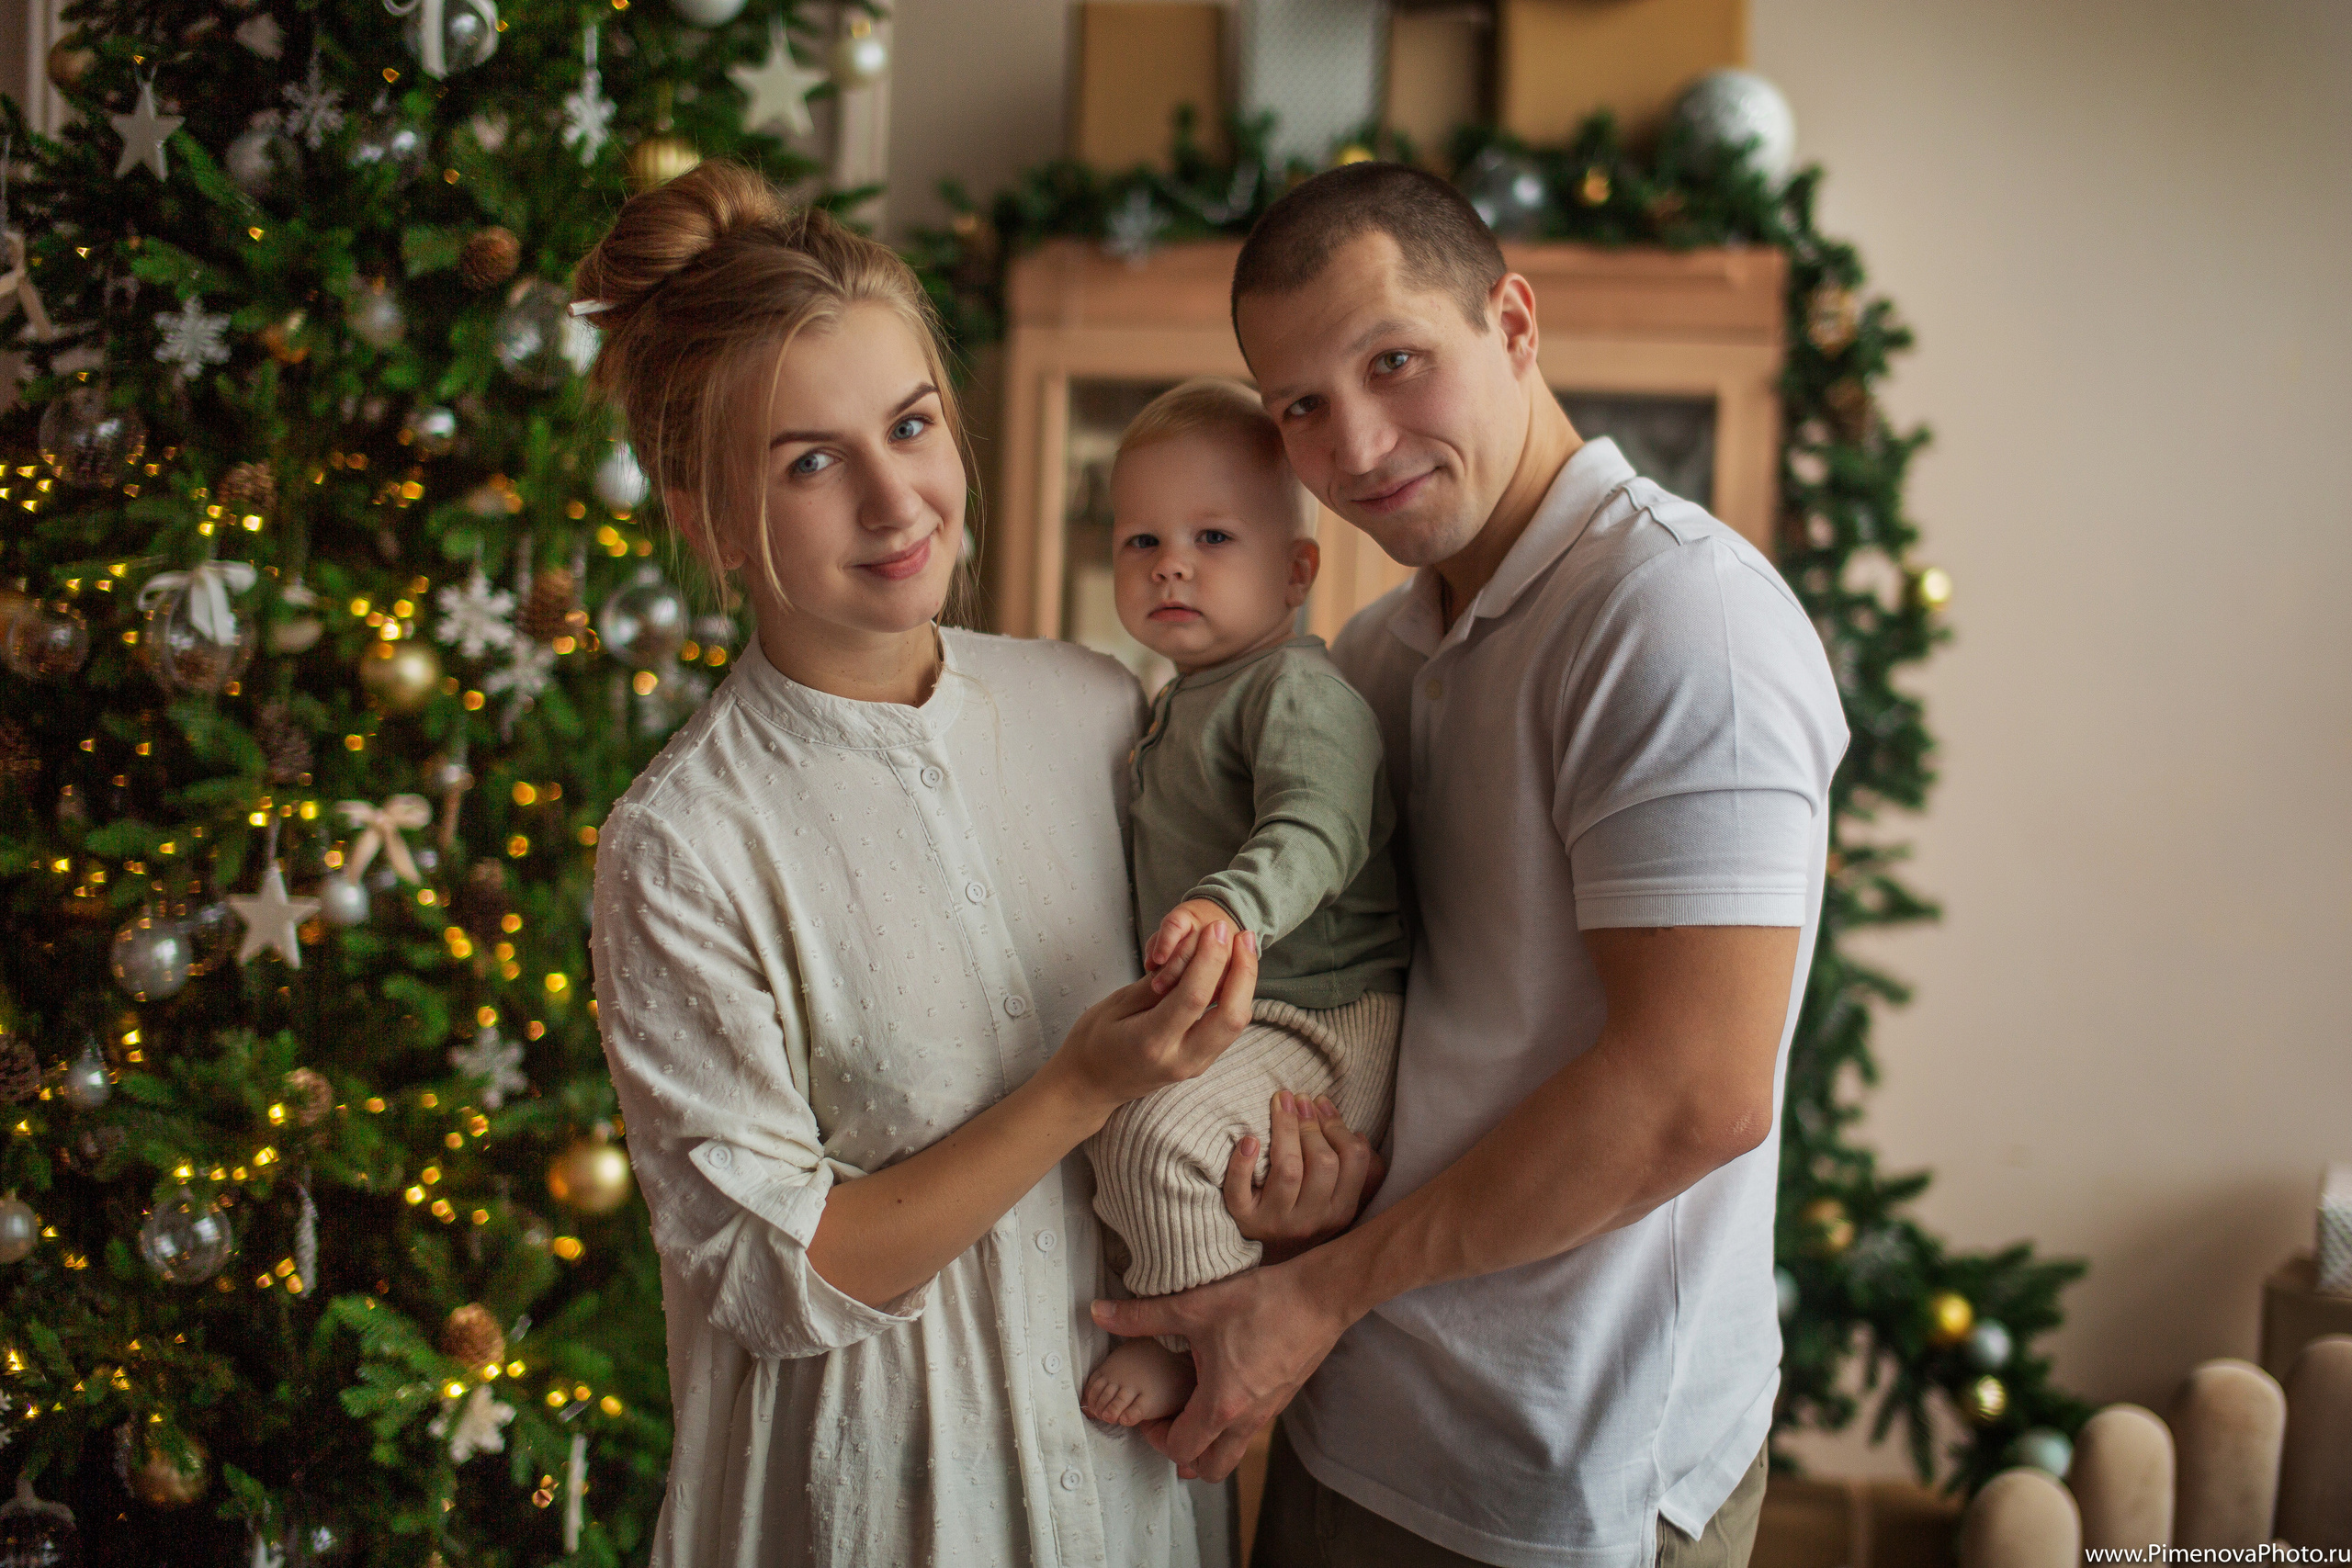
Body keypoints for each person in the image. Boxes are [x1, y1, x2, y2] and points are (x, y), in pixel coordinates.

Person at [1093, 162, 1851, 1568]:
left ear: (1511, 321)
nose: (1358, 441)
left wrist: (1319, 1290)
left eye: (1396, 361)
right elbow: (1397, 1010)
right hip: (1350, 1411)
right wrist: (1310, 1187)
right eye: (1300, 404)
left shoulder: (1681, 621)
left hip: (1561, 1475)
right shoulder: (1378, 655)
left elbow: (1695, 1094)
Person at [576, 163, 1289, 1568]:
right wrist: (1080, 1082)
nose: (896, 498)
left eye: (911, 426)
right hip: (876, 1503)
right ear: (713, 515)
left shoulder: (1095, 704)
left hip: (1127, 1483)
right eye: (809, 459)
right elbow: (776, 1274)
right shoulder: (682, 845)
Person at [1080, 378, 1407, 1431]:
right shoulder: (1180, 699)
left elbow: (1321, 827)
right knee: (1106, 1111)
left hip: (1322, 1014)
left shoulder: (1293, 692)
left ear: (1296, 570)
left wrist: (1231, 907)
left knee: (1151, 1136)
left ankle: (1189, 1334)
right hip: (1250, 1008)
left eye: (1213, 535)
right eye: (1140, 541)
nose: (1169, 562)